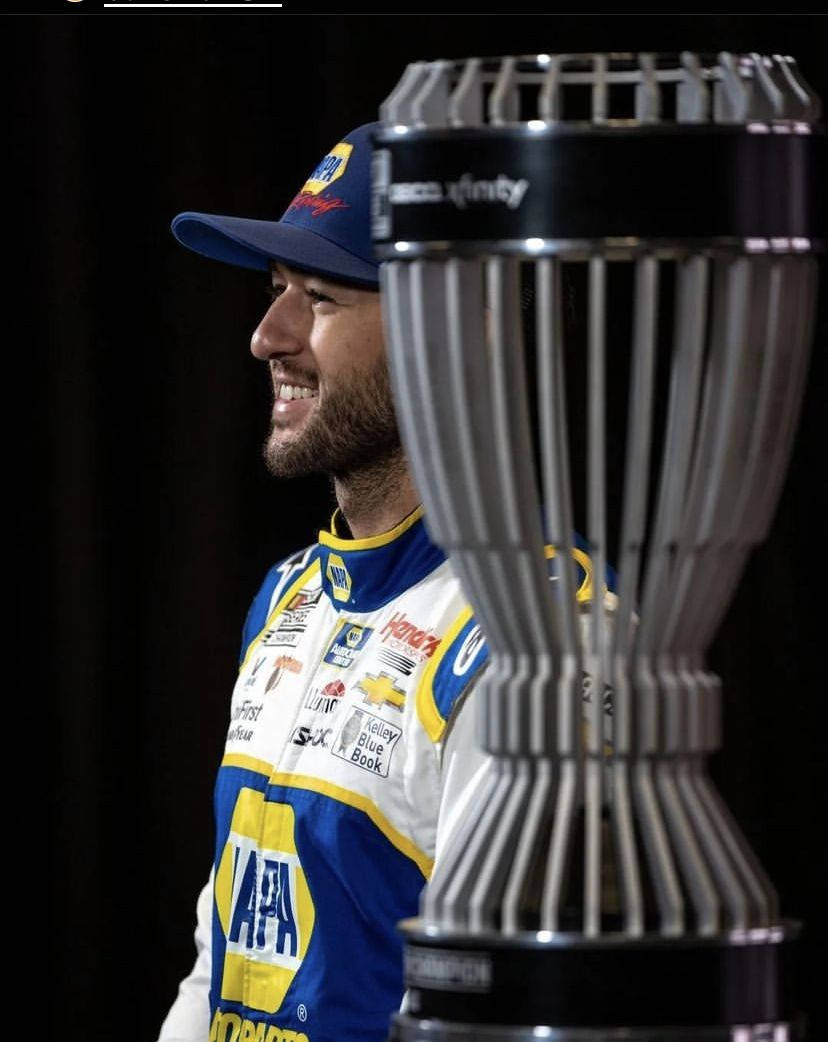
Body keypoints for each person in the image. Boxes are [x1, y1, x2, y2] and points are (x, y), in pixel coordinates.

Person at [158, 121, 604, 1042]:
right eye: (275, 288)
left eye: (317, 296)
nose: (266, 337)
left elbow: (495, 1016)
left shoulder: (540, 635)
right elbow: (220, 958)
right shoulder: (290, 599)